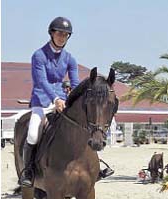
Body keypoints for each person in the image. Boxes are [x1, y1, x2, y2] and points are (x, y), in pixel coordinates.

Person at [20, 17, 113, 187]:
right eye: (59, 33)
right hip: (41, 101)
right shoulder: (39, 55)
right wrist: (55, 99)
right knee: (33, 133)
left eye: (65, 35)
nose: (62, 37)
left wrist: (75, 98)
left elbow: (76, 83)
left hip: (63, 100)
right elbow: (41, 81)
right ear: (52, 33)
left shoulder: (69, 59)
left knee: (85, 128)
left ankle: (95, 168)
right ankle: (28, 171)